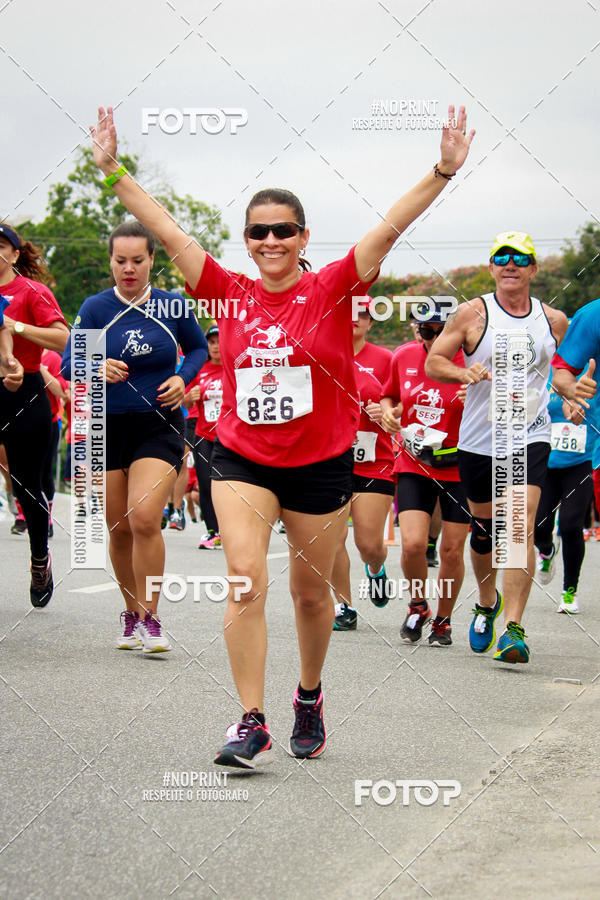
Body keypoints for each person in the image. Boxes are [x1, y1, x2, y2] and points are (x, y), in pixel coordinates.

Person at [91, 102, 474, 767]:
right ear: (246, 240)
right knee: (243, 577)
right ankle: (251, 719)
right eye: (258, 232)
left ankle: (308, 694)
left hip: (319, 465)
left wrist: (441, 171)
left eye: (284, 231)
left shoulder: (332, 288)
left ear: (302, 237)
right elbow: (167, 230)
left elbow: (387, 228)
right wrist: (113, 172)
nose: (270, 242)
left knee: (308, 593)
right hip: (241, 458)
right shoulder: (226, 290)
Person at [62, 220, 207, 652]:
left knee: (145, 518)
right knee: (119, 527)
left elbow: (198, 348)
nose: (129, 268)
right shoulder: (94, 308)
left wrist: (183, 377)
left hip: (157, 424)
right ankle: (131, 613)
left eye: (138, 261)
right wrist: (96, 366)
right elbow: (69, 364)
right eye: (121, 260)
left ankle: (153, 616)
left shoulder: (173, 306)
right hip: (106, 427)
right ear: (111, 261)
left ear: (151, 261)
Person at [426, 232, 568, 663]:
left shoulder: (554, 320)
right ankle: (487, 603)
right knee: (485, 533)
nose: (511, 264)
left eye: (520, 258)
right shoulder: (472, 313)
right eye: (501, 257)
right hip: (479, 441)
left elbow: (561, 370)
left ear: (532, 268)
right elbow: (435, 360)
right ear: (491, 267)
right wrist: (460, 373)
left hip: (530, 434)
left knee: (518, 526)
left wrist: (570, 387)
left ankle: (513, 629)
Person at [381, 301, 470, 646]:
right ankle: (418, 605)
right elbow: (389, 395)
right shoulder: (403, 356)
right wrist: (389, 413)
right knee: (414, 544)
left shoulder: (473, 361)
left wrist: (477, 396)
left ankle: (444, 621)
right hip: (414, 462)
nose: (433, 339)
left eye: (441, 330)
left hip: (460, 465)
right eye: (425, 331)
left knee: (451, 550)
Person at [0, 224, 69, 607]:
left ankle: (39, 558)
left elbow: (63, 338)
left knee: (27, 486)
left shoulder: (31, 292)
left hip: (23, 390)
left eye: (1, 247)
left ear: (13, 254)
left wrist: (17, 326)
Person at [331, 360, 396, 630]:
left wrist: (387, 412)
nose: (354, 319)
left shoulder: (384, 359)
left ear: (371, 321)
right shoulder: (322, 353)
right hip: (331, 461)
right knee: (333, 537)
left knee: (368, 545)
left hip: (373, 462)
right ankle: (344, 606)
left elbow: (408, 402)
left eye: (363, 315)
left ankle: (375, 568)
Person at [534, 375, 599, 614]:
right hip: (546, 462)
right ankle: (546, 550)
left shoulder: (594, 372)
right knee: (539, 524)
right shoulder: (547, 371)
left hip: (581, 462)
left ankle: (569, 590)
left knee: (571, 525)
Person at [192, 324, 223, 549]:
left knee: (227, 484)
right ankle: (212, 531)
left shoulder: (233, 368)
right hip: (203, 435)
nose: (215, 346)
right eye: (211, 342)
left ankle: (230, 528)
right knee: (205, 483)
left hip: (228, 437)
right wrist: (189, 396)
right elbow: (182, 400)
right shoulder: (199, 370)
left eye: (219, 341)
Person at [40, 349, 69, 537]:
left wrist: (41, 369)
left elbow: (62, 393)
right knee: (20, 472)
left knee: (44, 472)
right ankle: (22, 514)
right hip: (20, 422)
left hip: (48, 421)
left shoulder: (52, 358)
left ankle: (47, 517)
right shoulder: (14, 351)